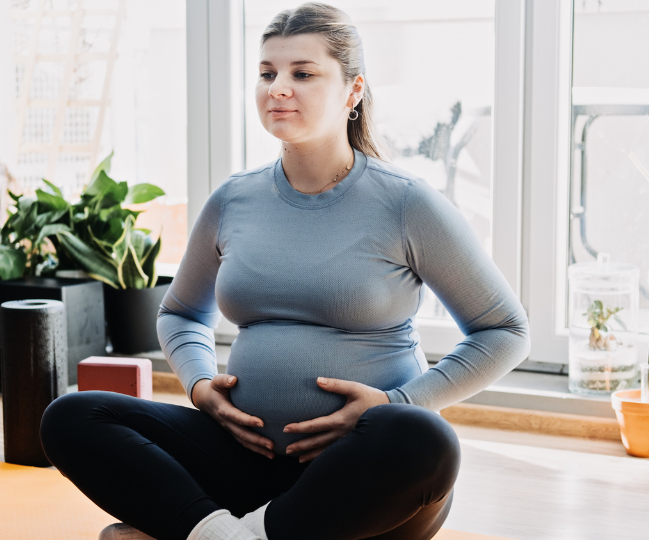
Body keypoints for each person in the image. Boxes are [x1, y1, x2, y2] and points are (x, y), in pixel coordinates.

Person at [39, 3, 531, 540]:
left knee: (423, 437)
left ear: (353, 91)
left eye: (302, 73)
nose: (278, 87)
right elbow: (180, 313)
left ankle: (209, 533)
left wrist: (398, 402)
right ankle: (226, 534)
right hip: (242, 463)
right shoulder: (234, 199)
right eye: (267, 73)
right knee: (71, 417)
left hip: (361, 481)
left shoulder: (406, 204)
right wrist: (201, 386)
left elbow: (505, 331)